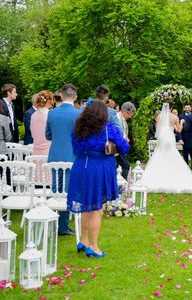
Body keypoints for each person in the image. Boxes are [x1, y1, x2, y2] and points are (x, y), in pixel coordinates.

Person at [68, 100, 129, 258]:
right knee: (96, 209)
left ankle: (83, 240)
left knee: (86, 207)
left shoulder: (78, 129)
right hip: (98, 169)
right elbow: (124, 147)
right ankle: (94, 247)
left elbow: (75, 148)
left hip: (81, 167)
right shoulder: (108, 129)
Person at [142, 103, 192, 193]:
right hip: (170, 137)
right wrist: (181, 123)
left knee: (160, 155)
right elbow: (179, 130)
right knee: (172, 155)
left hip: (163, 138)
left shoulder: (159, 117)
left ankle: (158, 177)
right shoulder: (175, 117)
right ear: (171, 108)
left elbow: (157, 130)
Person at [46, 84, 80, 236]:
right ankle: (63, 226)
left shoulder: (51, 113)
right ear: (75, 97)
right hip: (72, 155)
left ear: (61, 95)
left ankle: (54, 221)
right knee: (67, 190)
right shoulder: (78, 114)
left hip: (55, 155)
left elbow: (48, 135)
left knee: (56, 189)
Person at [115, 101, 136, 179]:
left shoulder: (124, 120)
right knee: (125, 165)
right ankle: (122, 185)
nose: (130, 116)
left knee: (117, 166)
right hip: (117, 146)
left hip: (120, 146)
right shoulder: (117, 118)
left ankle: (118, 185)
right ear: (124, 111)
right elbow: (117, 132)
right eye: (130, 114)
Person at [30, 90, 53, 156]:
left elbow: (33, 134)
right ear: (49, 101)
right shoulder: (50, 114)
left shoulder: (33, 115)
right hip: (48, 151)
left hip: (35, 151)